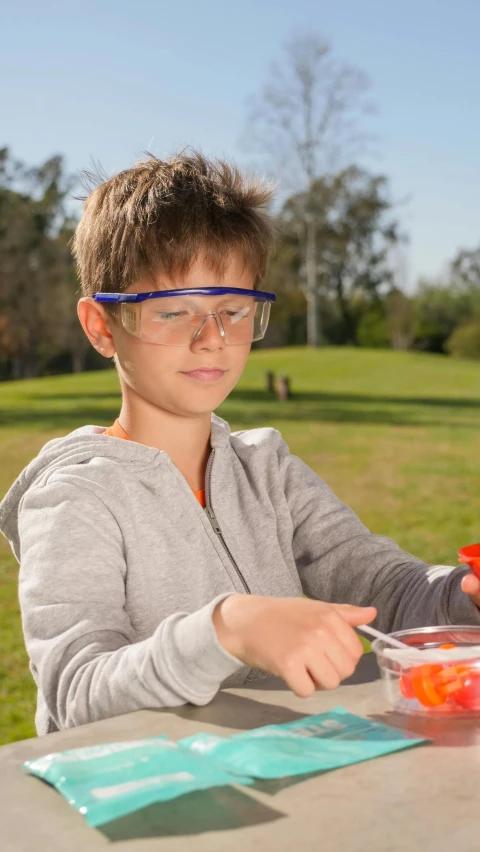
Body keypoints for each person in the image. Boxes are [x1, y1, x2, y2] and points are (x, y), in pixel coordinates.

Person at [1, 152, 479, 736]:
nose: (212, 340)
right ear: (102, 326)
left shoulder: (267, 469)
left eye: (232, 310)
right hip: (147, 805)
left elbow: (387, 590)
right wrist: (225, 631)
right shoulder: (75, 497)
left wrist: (467, 598)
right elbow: (77, 693)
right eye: (173, 312)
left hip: (282, 789)